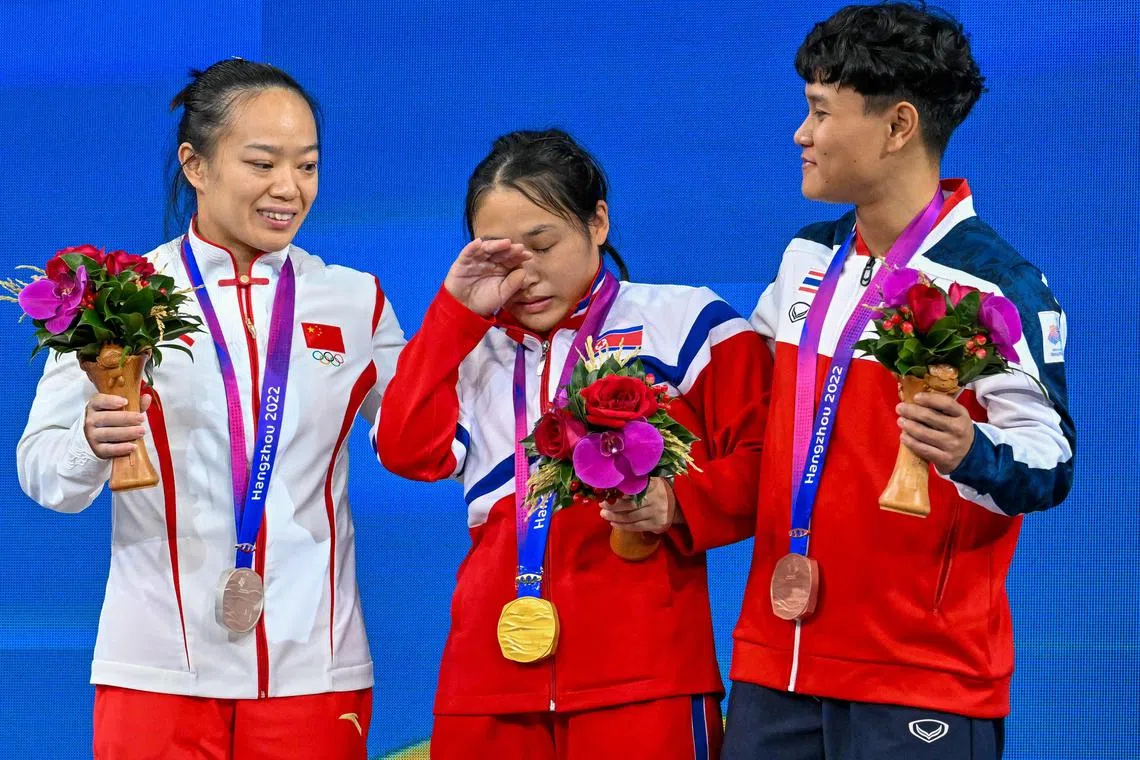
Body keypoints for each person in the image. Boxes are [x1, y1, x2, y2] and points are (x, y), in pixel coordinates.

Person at [17, 58, 405, 759]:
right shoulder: (121, 295)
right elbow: (44, 473)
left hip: (314, 668)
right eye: (262, 163)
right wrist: (86, 441)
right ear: (195, 164)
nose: (289, 188)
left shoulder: (354, 301)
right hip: (156, 668)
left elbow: (423, 443)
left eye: (308, 166)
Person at [719, 4, 1075, 759]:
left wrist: (971, 449)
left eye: (820, 111)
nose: (801, 134)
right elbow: (743, 409)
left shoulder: (996, 283)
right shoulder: (804, 261)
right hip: (774, 663)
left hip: (919, 675)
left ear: (897, 126)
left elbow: (1050, 462)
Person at [376, 128, 772, 760]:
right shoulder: (469, 348)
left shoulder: (688, 323)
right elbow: (405, 450)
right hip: (488, 684)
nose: (525, 273)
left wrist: (679, 502)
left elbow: (767, 467)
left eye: (543, 244)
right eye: (500, 254)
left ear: (598, 221)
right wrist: (454, 314)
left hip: (645, 678)